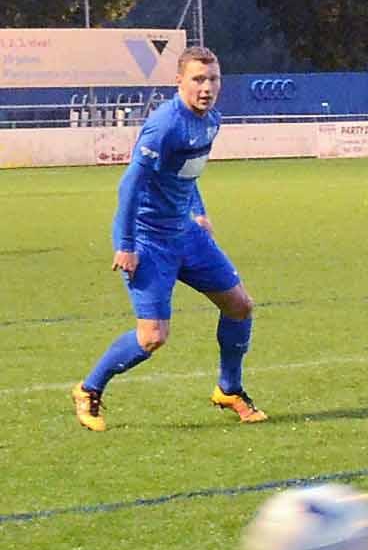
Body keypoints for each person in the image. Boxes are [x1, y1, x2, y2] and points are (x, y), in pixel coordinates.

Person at [72, 47, 267, 432]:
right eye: (197, 79)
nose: (207, 87)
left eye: (213, 79)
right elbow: (130, 183)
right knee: (152, 337)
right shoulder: (165, 124)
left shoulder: (211, 120)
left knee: (240, 306)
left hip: (186, 233)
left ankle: (229, 389)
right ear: (178, 81)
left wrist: (198, 208)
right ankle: (88, 388)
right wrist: (125, 244)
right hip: (148, 240)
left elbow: (186, 174)